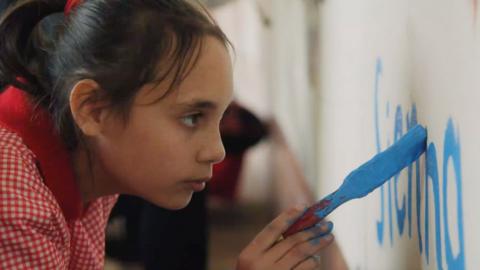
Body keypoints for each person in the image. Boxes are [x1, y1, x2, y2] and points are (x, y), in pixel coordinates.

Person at [0, 0, 335, 269]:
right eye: (192, 118)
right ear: (93, 109)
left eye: (218, 119)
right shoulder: (17, 212)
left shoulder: (93, 173)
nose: (217, 152)